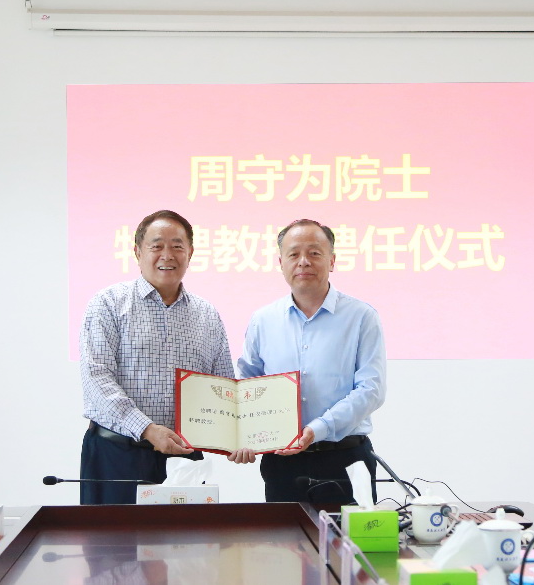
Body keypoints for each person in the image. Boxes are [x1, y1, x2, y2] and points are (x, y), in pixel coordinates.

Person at [79, 210, 235, 504]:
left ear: (190, 253)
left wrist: (236, 435)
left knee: (186, 535)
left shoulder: (207, 315)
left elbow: (223, 386)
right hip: (116, 455)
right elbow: (97, 378)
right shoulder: (108, 304)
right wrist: (147, 429)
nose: (168, 255)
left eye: (177, 246)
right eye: (157, 246)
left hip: (184, 458)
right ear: (137, 252)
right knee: (113, 535)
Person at [231, 219, 387, 504]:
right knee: (283, 535)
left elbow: (371, 390)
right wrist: (242, 435)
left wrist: (318, 429)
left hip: (346, 458)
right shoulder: (263, 320)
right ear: (281, 263)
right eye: (294, 254)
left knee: (350, 536)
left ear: (332, 261)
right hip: (282, 464)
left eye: (314, 253)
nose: (303, 261)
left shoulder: (361, 317)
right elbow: (247, 384)